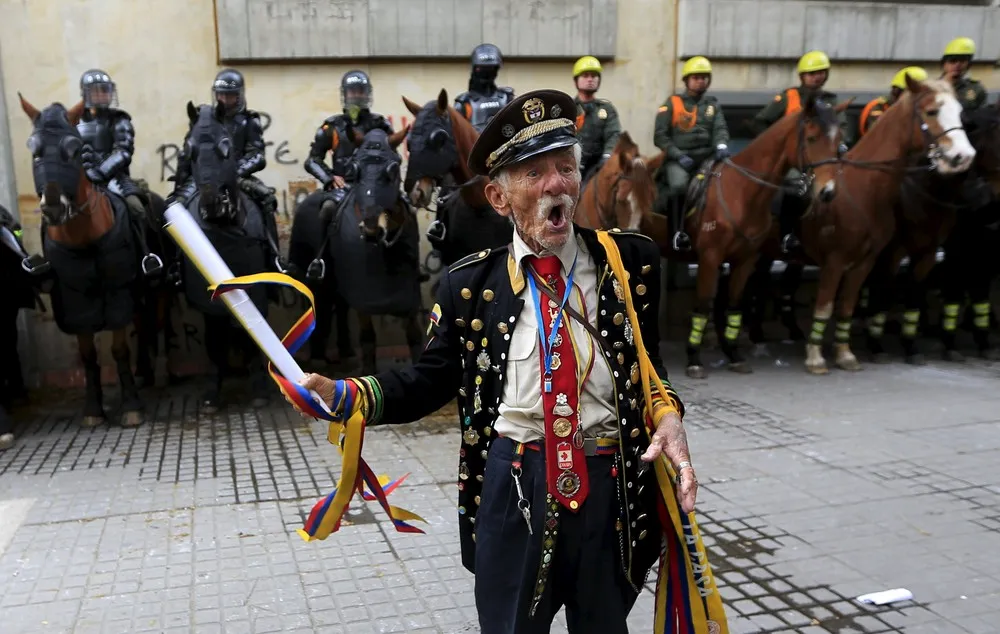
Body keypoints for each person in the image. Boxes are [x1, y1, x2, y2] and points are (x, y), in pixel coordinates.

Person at [289, 90, 725, 634]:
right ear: (499, 197)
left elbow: (649, 369)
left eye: (565, 167)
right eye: (534, 173)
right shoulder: (469, 285)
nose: (556, 184)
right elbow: (428, 381)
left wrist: (669, 416)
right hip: (514, 485)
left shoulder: (630, 262)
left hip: (610, 488)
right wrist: (347, 395)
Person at [169, 69, 281, 255]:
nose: (224, 99)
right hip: (202, 177)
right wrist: (182, 180)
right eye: (221, 95)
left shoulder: (249, 121)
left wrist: (232, 172)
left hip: (237, 175)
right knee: (174, 207)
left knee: (267, 200)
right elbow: (189, 151)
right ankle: (175, 261)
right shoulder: (202, 119)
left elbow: (257, 155)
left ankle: (274, 255)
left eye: (229, 96)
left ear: (239, 96)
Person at [752, 50, 850, 254]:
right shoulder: (788, 97)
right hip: (791, 159)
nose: (817, 77)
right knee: (795, 187)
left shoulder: (830, 100)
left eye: (821, 72)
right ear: (802, 76)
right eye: (812, 73)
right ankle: (788, 234)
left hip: (821, 158)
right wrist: (774, 146)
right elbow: (761, 122)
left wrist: (841, 144)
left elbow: (841, 127)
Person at [654, 56, 730, 252]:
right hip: (680, 159)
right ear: (686, 80)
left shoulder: (713, 104)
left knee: (727, 184)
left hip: (708, 158)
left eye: (704, 77)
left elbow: (720, 129)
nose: (700, 81)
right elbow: (660, 136)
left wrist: (721, 145)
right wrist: (677, 155)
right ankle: (676, 234)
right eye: (696, 77)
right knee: (679, 186)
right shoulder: (672, 103)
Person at [304, 70, 394, 194]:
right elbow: (312, 160)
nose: (356, 96)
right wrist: (329, 178)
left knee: (405, 205)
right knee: (325, 205)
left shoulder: (381, 124)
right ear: (345, 95)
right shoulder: (332, 126)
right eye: (352, 92)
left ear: (367, 94)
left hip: (376, 187)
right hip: (343, 188)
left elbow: (394, 157)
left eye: (360, 91)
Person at [76, 69, 147, 226]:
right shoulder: (75, 121)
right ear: (86, 94)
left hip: (114, 179)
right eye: (97, 91)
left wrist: (100, 172)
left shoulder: (119, 119)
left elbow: (123, 152)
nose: (102, 95)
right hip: (81, 179)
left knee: (136, 208)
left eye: (105, 90)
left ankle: (143, 242)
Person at [572, 55, 622, 184]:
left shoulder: (607, 109)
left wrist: (607, 156)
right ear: (576, 80)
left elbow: (614, 135)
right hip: (572, 164)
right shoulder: (569, 107)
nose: (590, 79)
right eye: (585, 76)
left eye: (594, 76)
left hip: (598, 165)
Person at [454, 43, 515, 132]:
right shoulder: (464, 102)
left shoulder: (506, 98)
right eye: (482, 69)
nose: (487, 73)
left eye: (491, 69)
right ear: (475, 69)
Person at [858, 66, 929, 137]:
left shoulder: (920, 109)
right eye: (915, 93)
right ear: (898, 91)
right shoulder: (879, 106)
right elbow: (878, 134)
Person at [940, 36, 987, 112]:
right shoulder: (930, 88)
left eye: (962, 61)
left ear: (968, 65)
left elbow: (983, 115)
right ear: (944, 64)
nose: (957, 65)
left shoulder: (976, 89)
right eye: (953, 60)